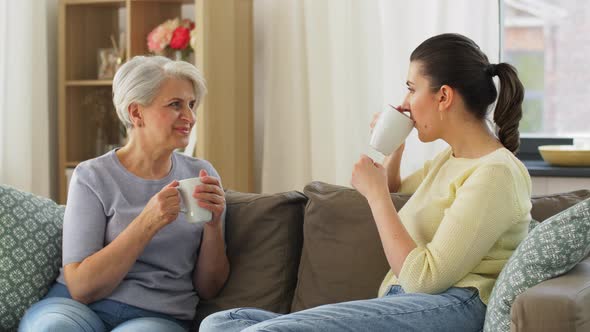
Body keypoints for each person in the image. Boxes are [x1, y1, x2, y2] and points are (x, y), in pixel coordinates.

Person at [200, 33, 532, 331]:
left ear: (443, 96)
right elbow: (394, 190)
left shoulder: (496, 174)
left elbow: (423, 279)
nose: (403, 103)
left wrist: (375, 196)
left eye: (411, 89)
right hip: (407, 301)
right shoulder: (451, 159)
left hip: (454, 305)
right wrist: (395, 148)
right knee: (223, 323)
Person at [19, 56, 229, 332]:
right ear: (136, 113)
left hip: (157, 316)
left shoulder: (200, 174)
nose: (189, 117)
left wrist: (214, 226)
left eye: (191, 105)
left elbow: (209, 288)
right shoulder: (92, 176)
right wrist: (148, 222)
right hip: (75, 308)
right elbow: (81, 287)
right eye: (175, 105)